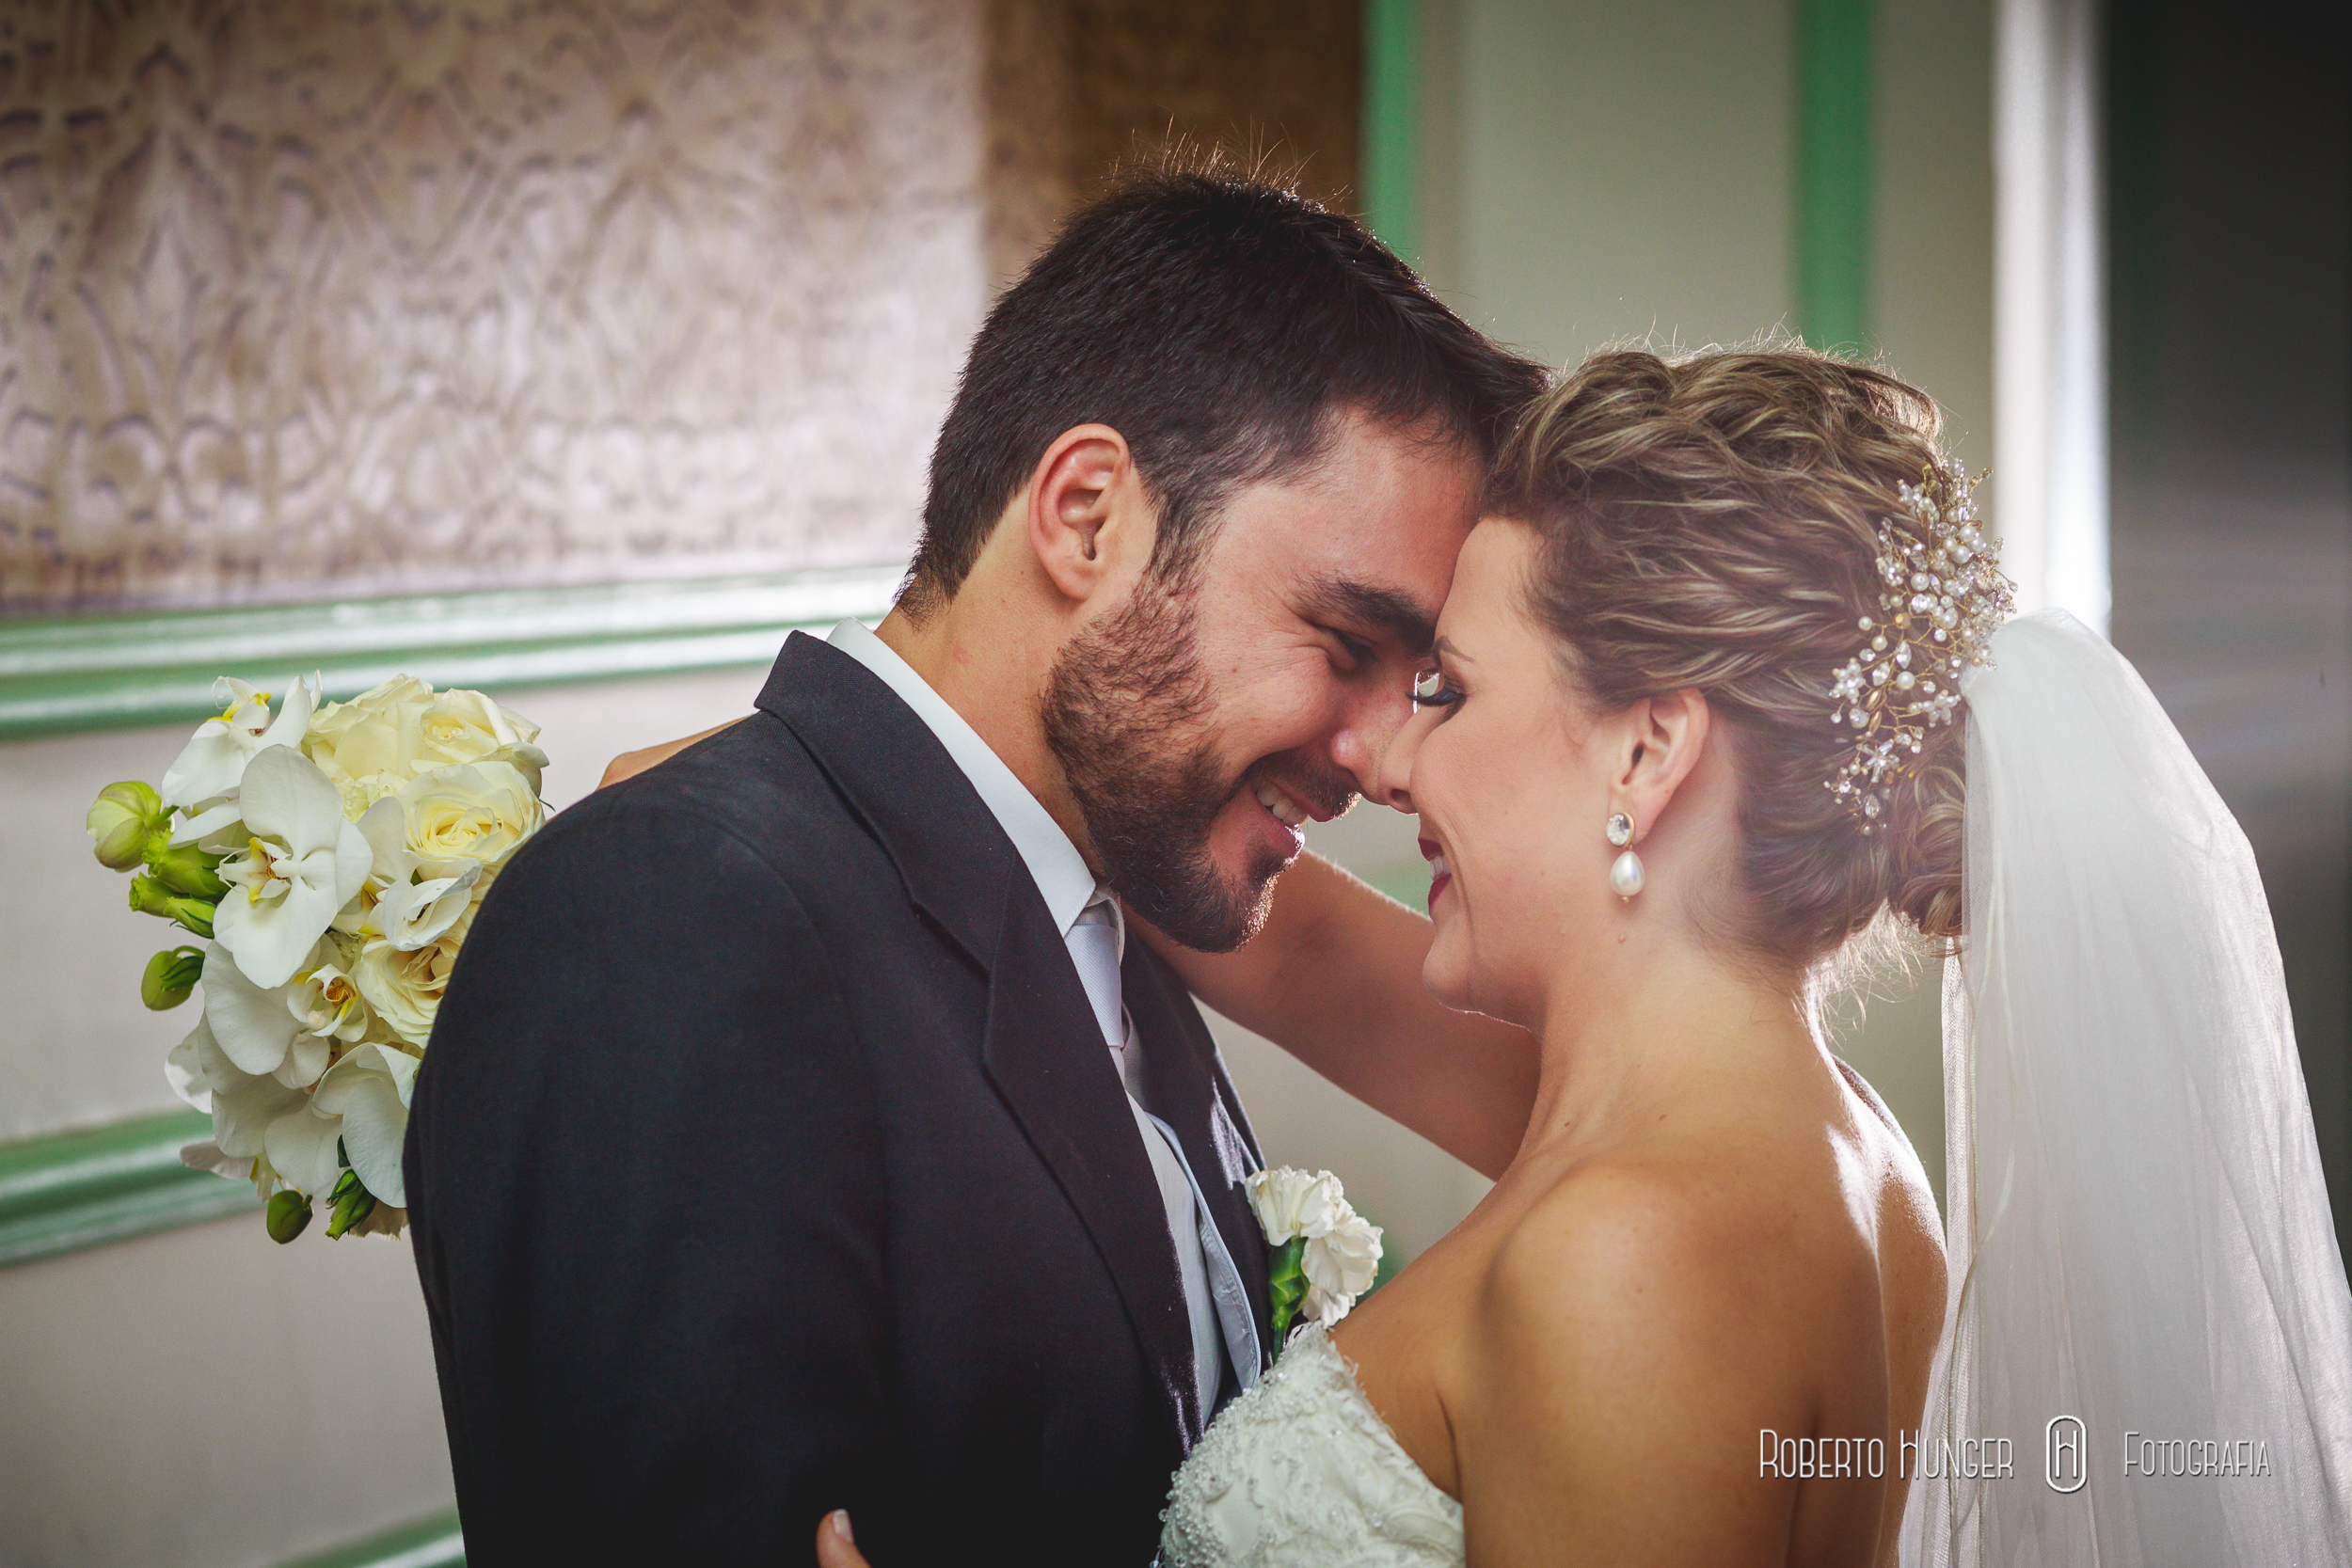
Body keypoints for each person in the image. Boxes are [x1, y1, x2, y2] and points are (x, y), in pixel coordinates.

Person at [812, 343, 2352, 1567]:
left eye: (1452, 693)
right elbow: (1283, 950)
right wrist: (839, 761)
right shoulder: (1821, 1152)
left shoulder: (1635, 1256)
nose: (1393, 769)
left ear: (1650, 753)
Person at [403, 166, 1545, 1565]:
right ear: (1084, 515)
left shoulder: (1116, 883)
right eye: (1346, 645)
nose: (1387, 758)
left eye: (1419, 681)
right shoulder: (669, 917)